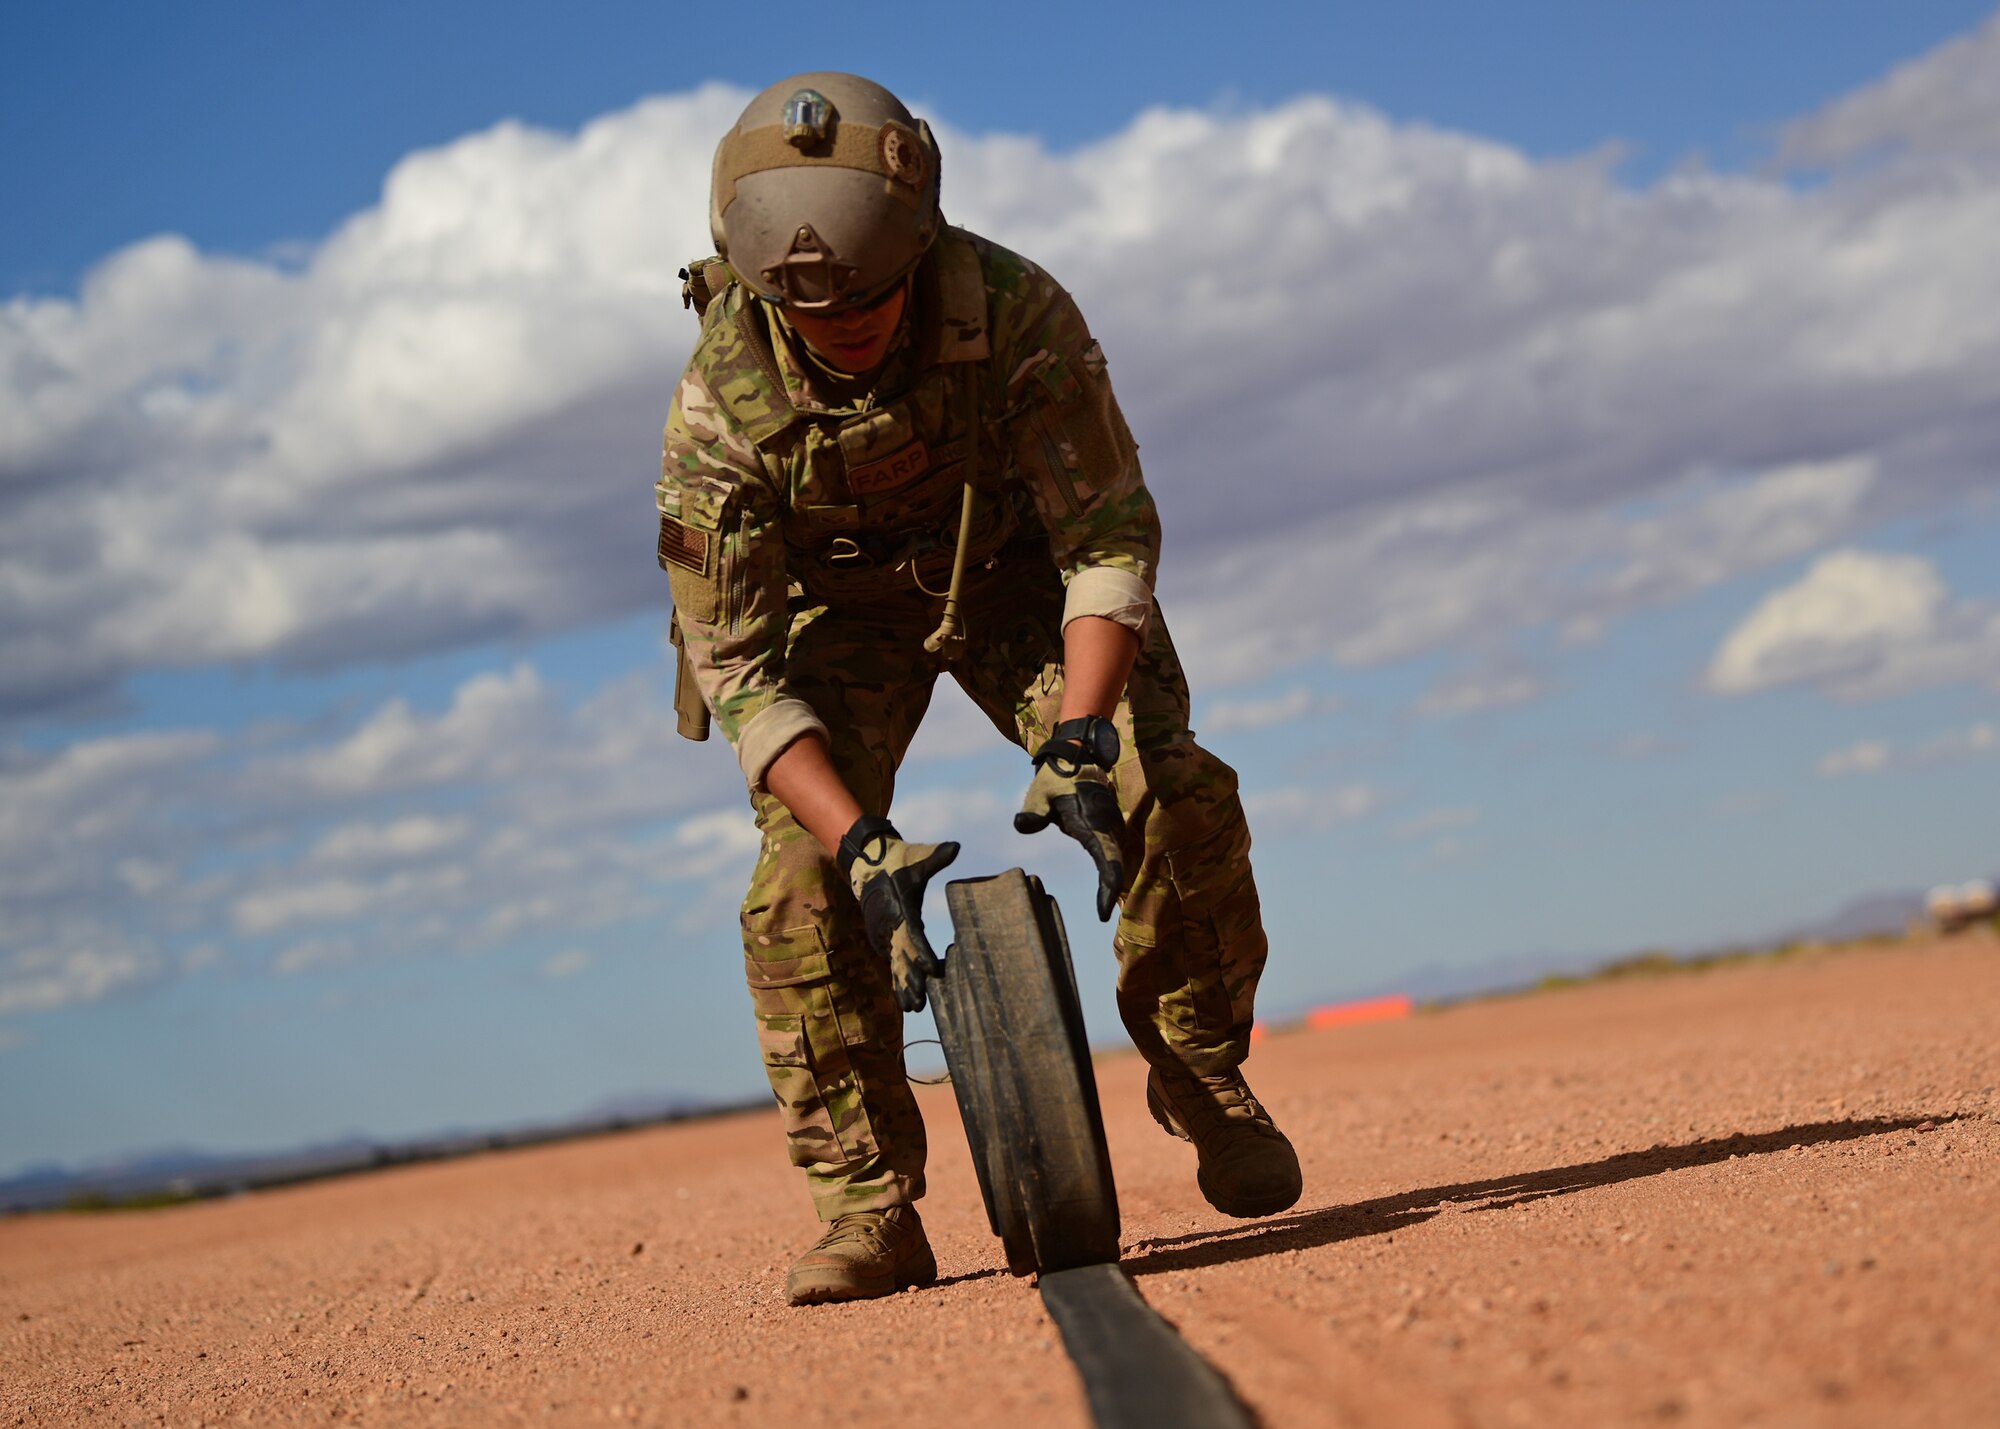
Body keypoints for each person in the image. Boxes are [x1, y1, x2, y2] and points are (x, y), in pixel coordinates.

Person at [658, 72, 1300, 1305]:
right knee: (797, 882)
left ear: (921, 244)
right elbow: (734, 667)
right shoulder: (715, 408)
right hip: (833, 621)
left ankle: (1199, 1070)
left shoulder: (1012, 309)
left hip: (1013, 581)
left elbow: (1105, 538)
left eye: (869, 303)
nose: (843, 328)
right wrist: (858, 843)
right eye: (813, 316)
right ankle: (867, 1209)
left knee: (1158, 775)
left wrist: (1076, 738)